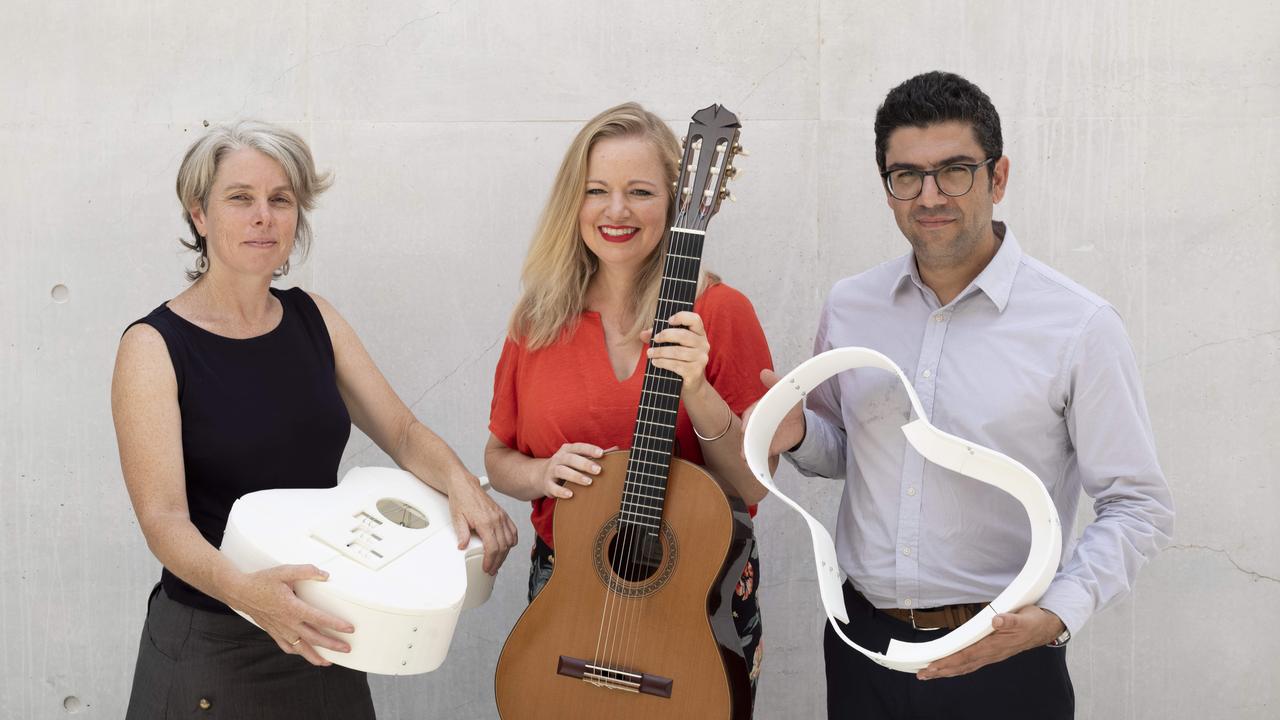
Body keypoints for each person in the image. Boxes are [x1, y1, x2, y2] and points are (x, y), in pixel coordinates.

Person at [746, 72, 1175, 719]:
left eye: (954, 170)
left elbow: (1137, 504)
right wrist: (800, 433)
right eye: (907, 175)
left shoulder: (1078, 326)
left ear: (997, 178)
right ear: (887, 187)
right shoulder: (850, 305)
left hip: (1003, 654)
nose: (930, 194)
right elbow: (846, 448)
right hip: (863, 646)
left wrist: (1057, 614)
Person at [111, 120, 517, 719]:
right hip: (215, 637)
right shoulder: (153, 347)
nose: (263, 216)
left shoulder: (314, 319)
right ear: (198, 215)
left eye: (281, 200)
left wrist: (461, 484)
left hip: (327, 631)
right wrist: (253, 597)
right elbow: (164, 521)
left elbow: (402, 433)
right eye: (240, 198)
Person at [484, 102, 773, 693]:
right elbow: (498, 459)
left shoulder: (720, 312)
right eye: (597, 191)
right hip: (570, 587)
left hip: (694, 596)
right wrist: (541, 474)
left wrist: (696, 388)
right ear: (575, 202)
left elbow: (750, 487)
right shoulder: (539, 320)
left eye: (640, 191)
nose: (616, 211)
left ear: (677, 199)